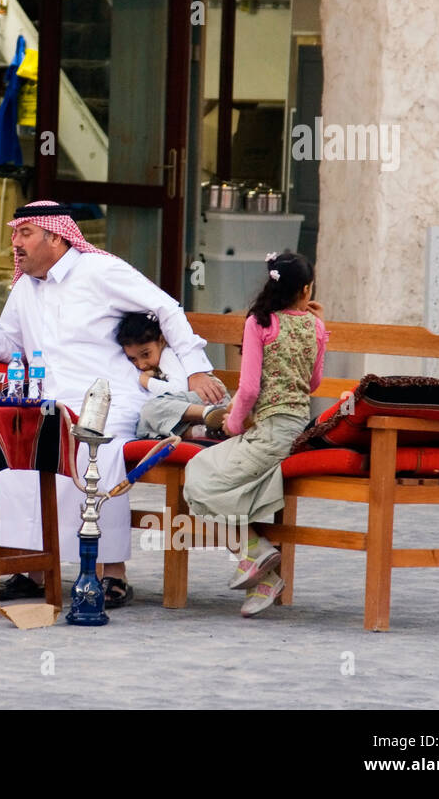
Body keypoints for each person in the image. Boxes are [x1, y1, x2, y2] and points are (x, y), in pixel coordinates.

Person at [0, 200, 224, 609]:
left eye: (25, 233)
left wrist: (196, 370)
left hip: (109, 398)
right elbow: (11, 348)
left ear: (55, 236)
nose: (16, 243)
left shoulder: (100, 271)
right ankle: (33, 568)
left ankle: (112, 573)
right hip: (48, 399)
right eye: (14, 234)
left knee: (93, 450)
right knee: (13, 448)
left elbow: (166, 307)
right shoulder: (25, 287)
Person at [183, 250, 327, 618]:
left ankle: (255, 551)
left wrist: (232, 426)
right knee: (236, 487)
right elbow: (314, 383)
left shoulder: (259, 323)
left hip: (268, 434)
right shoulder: (315, 326)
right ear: (306, 289)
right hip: (296, 432)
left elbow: (247, 389)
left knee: (198, 476)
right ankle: (265, 579)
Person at [116, 311, 231, 440]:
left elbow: (178, 389)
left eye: (146, 354)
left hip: (210, 396)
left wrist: (146, 381)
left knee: (150, 409)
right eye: (133, 359)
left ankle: (210, 412)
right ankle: (205, 432)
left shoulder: (167, 355)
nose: (142, 365)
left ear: (161, 341)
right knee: (142, 428)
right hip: (194, 403)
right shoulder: (157, 363)